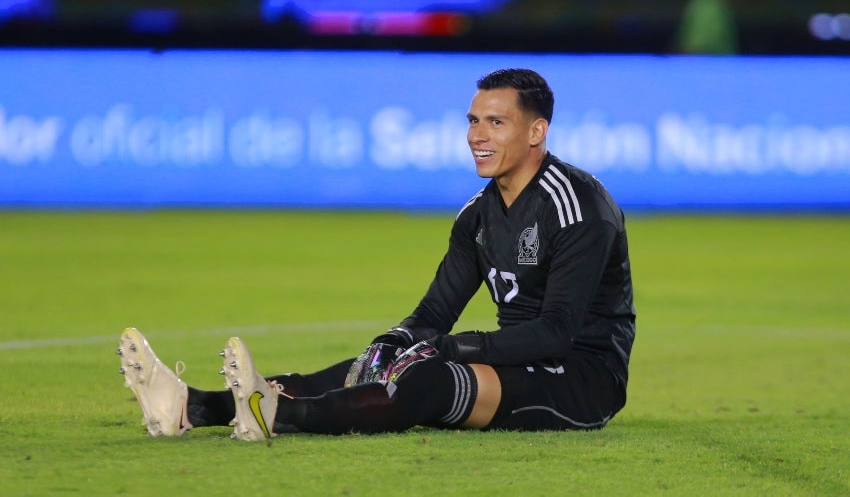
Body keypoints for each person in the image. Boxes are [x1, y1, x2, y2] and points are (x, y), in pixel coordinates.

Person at [116, 68, 636, 439]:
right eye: (473, 120)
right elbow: (435, 313)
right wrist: (395, 341)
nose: (476, 135)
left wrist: (455, 349)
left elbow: (556, 331)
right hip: (514, 363)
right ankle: (192, 406)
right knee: (370, 366)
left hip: (581, 378)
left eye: (495, 123)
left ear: (536, 131)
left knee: (428, 377)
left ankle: (275, 416)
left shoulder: (577, 206)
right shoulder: (477, 215)